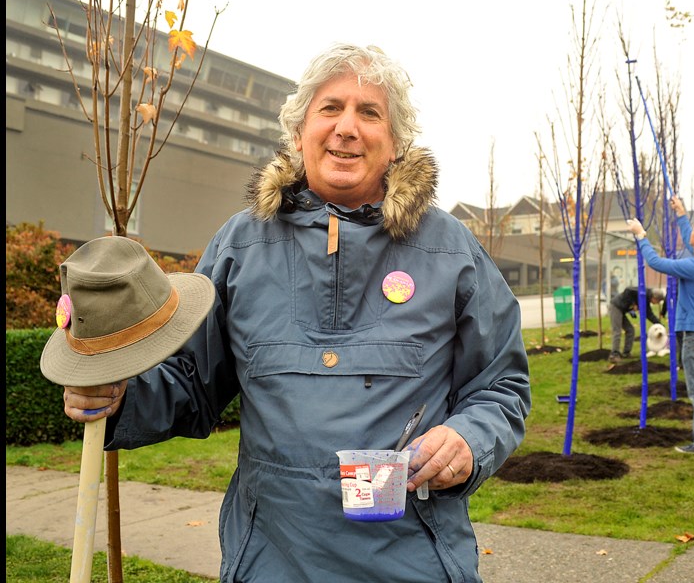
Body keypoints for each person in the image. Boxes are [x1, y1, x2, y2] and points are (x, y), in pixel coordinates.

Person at [57, 43, 532, 582]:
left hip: (413, 562)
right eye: (330, 108)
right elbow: (191, 383)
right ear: (299, 131)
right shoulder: (240, 245)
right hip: (271, 560)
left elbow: (501, 386)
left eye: (369, 112)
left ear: (396, 143)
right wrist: (118, 397)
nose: (346, 128)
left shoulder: (450, 250)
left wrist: (469, 439)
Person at [627, 196, 694, 457]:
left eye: (693, 230)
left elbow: (658, 263)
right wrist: (681, 215)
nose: (690, 231)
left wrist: (641, 236)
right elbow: (692, 242)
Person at [607, 285, 666, 362]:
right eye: (658, 301)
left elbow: (649, 314)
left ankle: (626, 353)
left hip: (622, 309)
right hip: (616, 306)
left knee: (630, 330)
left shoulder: (646, 300)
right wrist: (634, 303)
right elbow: (628, 290)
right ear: (654, 297)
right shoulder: (643, 292)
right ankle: (614, 355)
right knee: (617, 331)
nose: (657, 303)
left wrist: (660, 325)